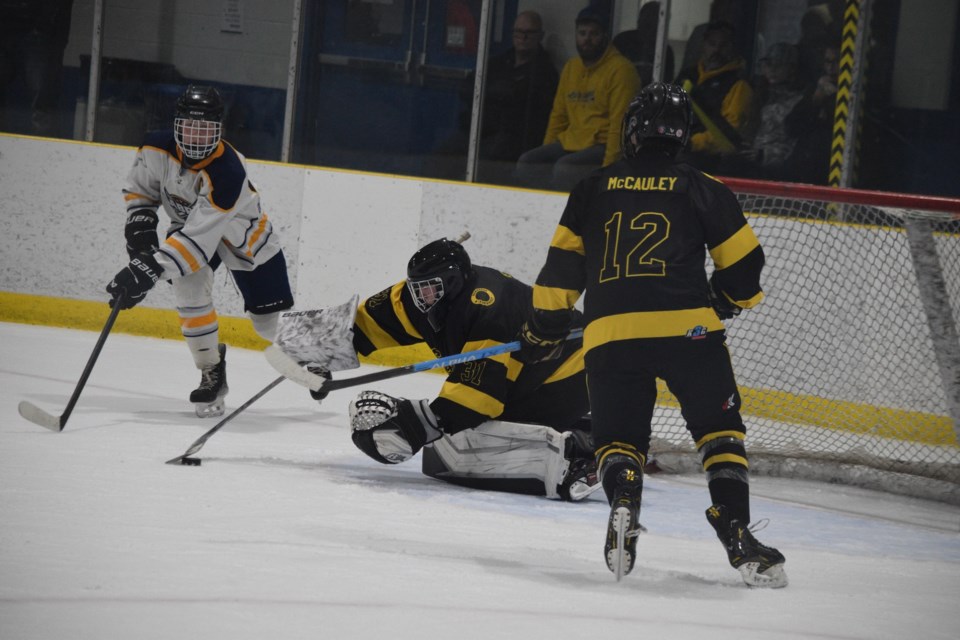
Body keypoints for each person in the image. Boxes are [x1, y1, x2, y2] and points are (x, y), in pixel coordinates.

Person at [517, 83, 787, 587]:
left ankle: (623, 497)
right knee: (719, 434)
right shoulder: (704, 185)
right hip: (688, 331)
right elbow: (746, 265)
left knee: (619, 440)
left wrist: (542, 328)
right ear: (683, 134)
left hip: (611, 335)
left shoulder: (592, 186)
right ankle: (735, 530)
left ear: (633, 130)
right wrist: (727, 301)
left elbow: (558, 276)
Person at [339, 237, 598, 501]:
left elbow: (481, 394)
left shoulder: (487, 306)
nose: (420, 297)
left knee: (482, 435)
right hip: (526, 372)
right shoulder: (423, 300)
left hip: (574, 371)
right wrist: (328, 348)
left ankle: (587, 452)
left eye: (428, 289)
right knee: (455, 440)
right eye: (416, 288)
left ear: (452, 283)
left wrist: (426, 423)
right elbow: (370, 323)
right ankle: (598, 429)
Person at [104, 85, 296, 418]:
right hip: (190, 229)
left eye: (205, 128)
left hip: (244, 238)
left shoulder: (228, 171)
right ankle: (211, 371)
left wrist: (148, 269)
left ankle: (313, 355)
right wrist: (140, 226)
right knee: (188, 288)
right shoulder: (153, 147)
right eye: (190, 126)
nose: (196, 136)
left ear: (219, 130)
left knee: (267, 324)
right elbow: (141, 190)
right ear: (176, 124)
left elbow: (198, 241)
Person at [513, 7, 640, 192]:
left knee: (564, 168)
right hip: (572, 142)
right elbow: (559, 115)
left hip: (602, 145)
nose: (587, 39)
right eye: (582, 33)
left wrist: (610, 171)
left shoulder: (622, 70)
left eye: (594, 34)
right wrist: (546, 150)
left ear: (605, 36)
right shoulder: (571, 67)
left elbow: (620, 127)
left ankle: (571, 213)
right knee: (528, 162)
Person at [432, 11, 558, 182]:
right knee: (442, 156)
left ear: (540, 36)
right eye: (518, 32)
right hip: (478, 130)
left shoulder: (544, 71)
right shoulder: (499, 62)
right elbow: (468, 87)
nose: (523, 37)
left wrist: (496, 94)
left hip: (511, 139)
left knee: (486, 164)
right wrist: (497, 93)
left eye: (529, 33)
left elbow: (528, 111)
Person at [674, 20, 754, 173]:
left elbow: (729, 134)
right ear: (703, 45)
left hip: (710, 164)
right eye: (712, 43)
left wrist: (691, 143)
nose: (716, 50)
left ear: (733, 49)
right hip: (678, 154)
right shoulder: (688, 75)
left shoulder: (738, 85)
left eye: (724, 45)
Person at [719, 42, 804, 180]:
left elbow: (793, 144)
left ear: (792, 68)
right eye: (768, 64)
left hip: (777, 171)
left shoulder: (799, 101)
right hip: (750, 162)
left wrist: (764, 154)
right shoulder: (758, 95)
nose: (772, 70)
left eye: (779, 65)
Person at [0, 0, 74, 136]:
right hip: (34, 24)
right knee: (43, 104)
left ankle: (47, 153)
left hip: (41, 26)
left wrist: (48, 26)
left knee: (43, 103)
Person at [783, 42, 839, 184]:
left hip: (832, 171)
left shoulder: (857, 96)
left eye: (837, 62)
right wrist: (816, 99)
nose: (831, 68)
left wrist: (835, 96)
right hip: (803, 167)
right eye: (828, 62)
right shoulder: (816, 90)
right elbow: (791, 127)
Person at [611, 1, 675, 88]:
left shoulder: (665, 51)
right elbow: (609, 72)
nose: (648, 25)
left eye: (653, 20)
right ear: (639, 20)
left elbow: (666, 85)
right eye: (646, 18)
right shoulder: (622, 41)